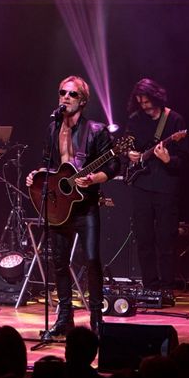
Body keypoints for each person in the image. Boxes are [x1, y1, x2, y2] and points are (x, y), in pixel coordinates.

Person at [26, 76, 116, 335]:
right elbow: (50, 165)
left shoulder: (96, 130)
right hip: (59, 206)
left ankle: (97, 318)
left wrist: (94, 178)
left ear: (83, 101)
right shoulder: (52, 128)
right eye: (62, 92)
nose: (65, 97)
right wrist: (37, 176)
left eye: (72, 94)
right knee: (58, 262)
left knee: (91, 260)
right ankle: (65, 317)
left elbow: (113, 164)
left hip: (85, 206)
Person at [124, 78, 189, 293]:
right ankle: (150, 287)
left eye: (148, 103)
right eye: (141, 103)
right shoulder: (135, 120)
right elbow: (125, 145)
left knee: (165, 239)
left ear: (157, 98)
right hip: (141, 185)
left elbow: (185, 159)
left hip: (166, 188)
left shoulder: (175, 120)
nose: (145, 107)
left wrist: (168, 160)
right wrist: (129, 154)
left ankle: (167, 287)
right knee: (144, 238)